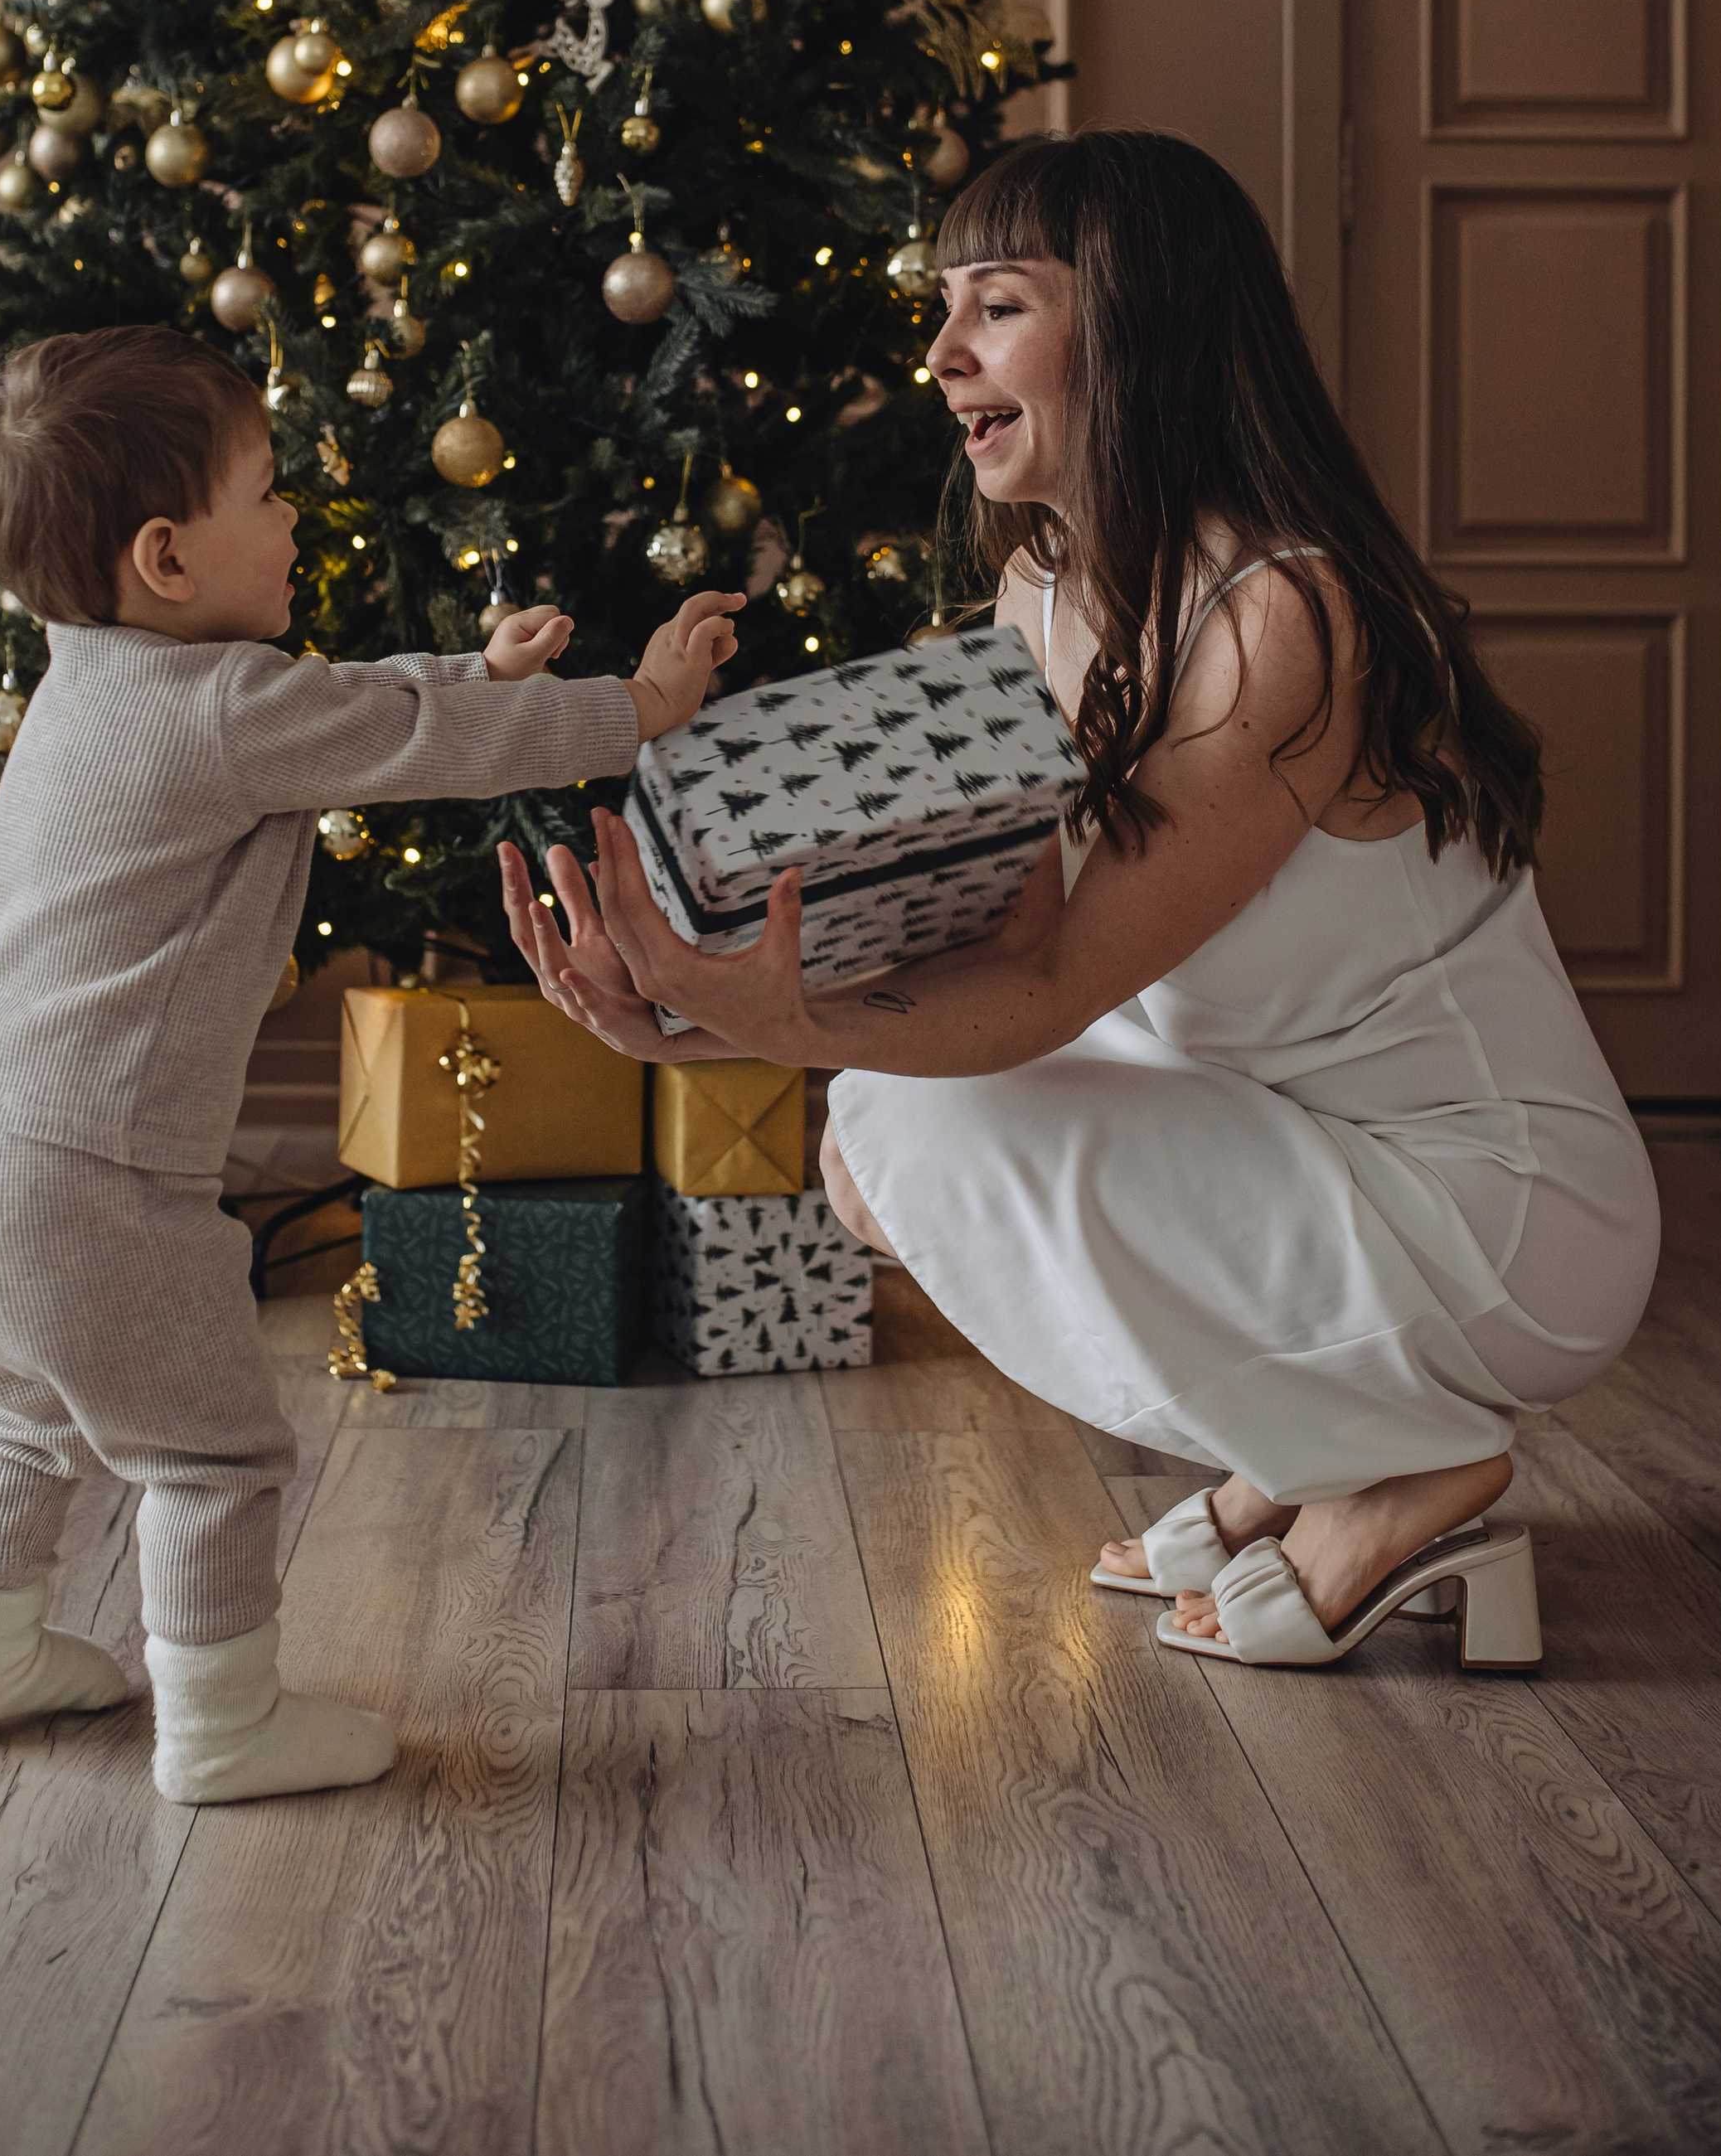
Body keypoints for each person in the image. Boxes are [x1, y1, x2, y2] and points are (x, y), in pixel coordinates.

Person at [499, 130, 1658, 1673]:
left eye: (995, 305)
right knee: (873, 1147)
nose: (939, 353)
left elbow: (1050, 988)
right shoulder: (1046, 592)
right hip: (1304, 1147)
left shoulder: (1281, 617)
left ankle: (1400, 1464)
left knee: (912, 1124)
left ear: (1136, 325)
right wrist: (695, 1021)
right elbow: (991, 942)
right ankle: (1313, 1444)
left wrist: (772, 1023)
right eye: (943, 306)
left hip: (1497, 1209)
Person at [0, 323, 739, 1799]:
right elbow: (402, 743)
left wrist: (465, 668)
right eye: (268, 491)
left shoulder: (87, 677)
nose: (292, 516)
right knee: (214, 1455)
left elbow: (351, 706)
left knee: (28, 1407)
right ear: (168, 557)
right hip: (90, 1176)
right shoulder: (226, 708)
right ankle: (222, 1728)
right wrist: (639, 709)